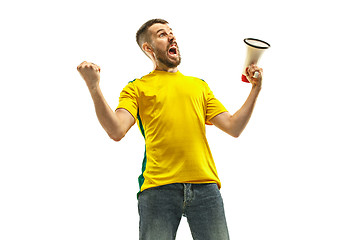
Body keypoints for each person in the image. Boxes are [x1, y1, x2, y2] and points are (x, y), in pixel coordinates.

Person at [77, 18, 263, 240]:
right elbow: (116, 129)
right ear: (148, 48)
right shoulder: (137, 88)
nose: (171, 37)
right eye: (162, 34)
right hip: (158, 190)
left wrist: (255, 89)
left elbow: (234, 126)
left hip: (206, 189)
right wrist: (94, 87)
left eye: (171, 33)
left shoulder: (198, 86)